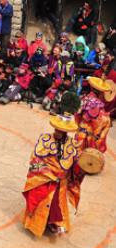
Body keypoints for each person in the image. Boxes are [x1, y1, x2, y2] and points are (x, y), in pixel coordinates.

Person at [22, 99, 83, 237]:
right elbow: (35, 160)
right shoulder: (45, 139)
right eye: (56, 129)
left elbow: (75, 165)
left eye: (60, 130)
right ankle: (37, 225)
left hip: (61, 182)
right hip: (45, 178)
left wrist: (80, 169)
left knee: (57, 204)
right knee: (42, 201)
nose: (57, 132)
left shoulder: (72, 144)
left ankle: (54, 224)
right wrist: (48, 173)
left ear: (66, 132)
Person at [75, 77, 113, 154]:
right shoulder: (100, 107)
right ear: (102, 93)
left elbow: (77, 115)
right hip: (90, 136)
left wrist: (80, 125)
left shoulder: (84, 99)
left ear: (92, 88)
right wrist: (107, 119)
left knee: (78, 153)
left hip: (81, 133)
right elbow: (100, 124)